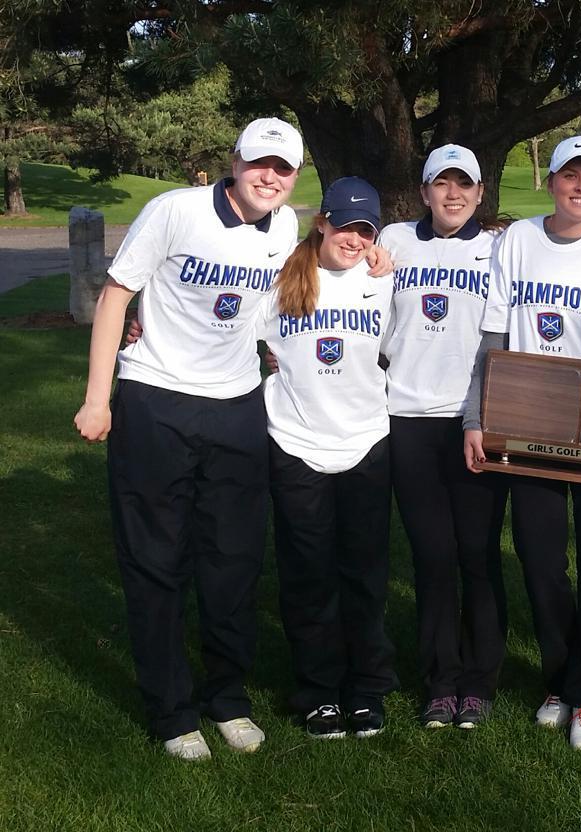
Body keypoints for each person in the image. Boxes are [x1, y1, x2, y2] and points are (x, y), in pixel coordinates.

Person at [73, 117, 304, 760]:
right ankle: (172, 711)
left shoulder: (284, 228)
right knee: (157, 561)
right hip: (155, 401)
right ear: (235, 161)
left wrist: (372, 255)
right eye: (260, 163)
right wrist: (99, 399)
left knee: (232, 561)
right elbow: (118, 297)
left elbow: (272, 301)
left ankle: (227, 699)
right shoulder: (173, 212)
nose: (270, 177)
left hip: (235, 406)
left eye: (283, 169)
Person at [463, 136, 581, 750]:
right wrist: (476, 417)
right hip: (529, 419)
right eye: (570, 176)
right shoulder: (517, 240)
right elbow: (494, 330)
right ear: (550, 181)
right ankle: (559, 680)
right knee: (542, 560)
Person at [259, 177, 398, 740]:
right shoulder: (281, 280)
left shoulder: (382, 280)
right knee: (308, 575)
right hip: (296, 442)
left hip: (365, 440)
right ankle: (318, 692)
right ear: (322, 222)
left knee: (364, 573)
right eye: (344, 225)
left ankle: (366, 689)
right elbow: (234, 332)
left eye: (365, 230)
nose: (354, 238)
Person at [377, 145, 509, 729]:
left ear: (481, 194)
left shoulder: (501, 248)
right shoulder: (394, 242)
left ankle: (479, 680)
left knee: (477, 555)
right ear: (424, 191)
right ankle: (441, 678)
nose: (452, 195)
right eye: (441, 184)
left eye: (464, 185)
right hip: (406, 417)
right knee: (432, 556)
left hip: (477, 418)